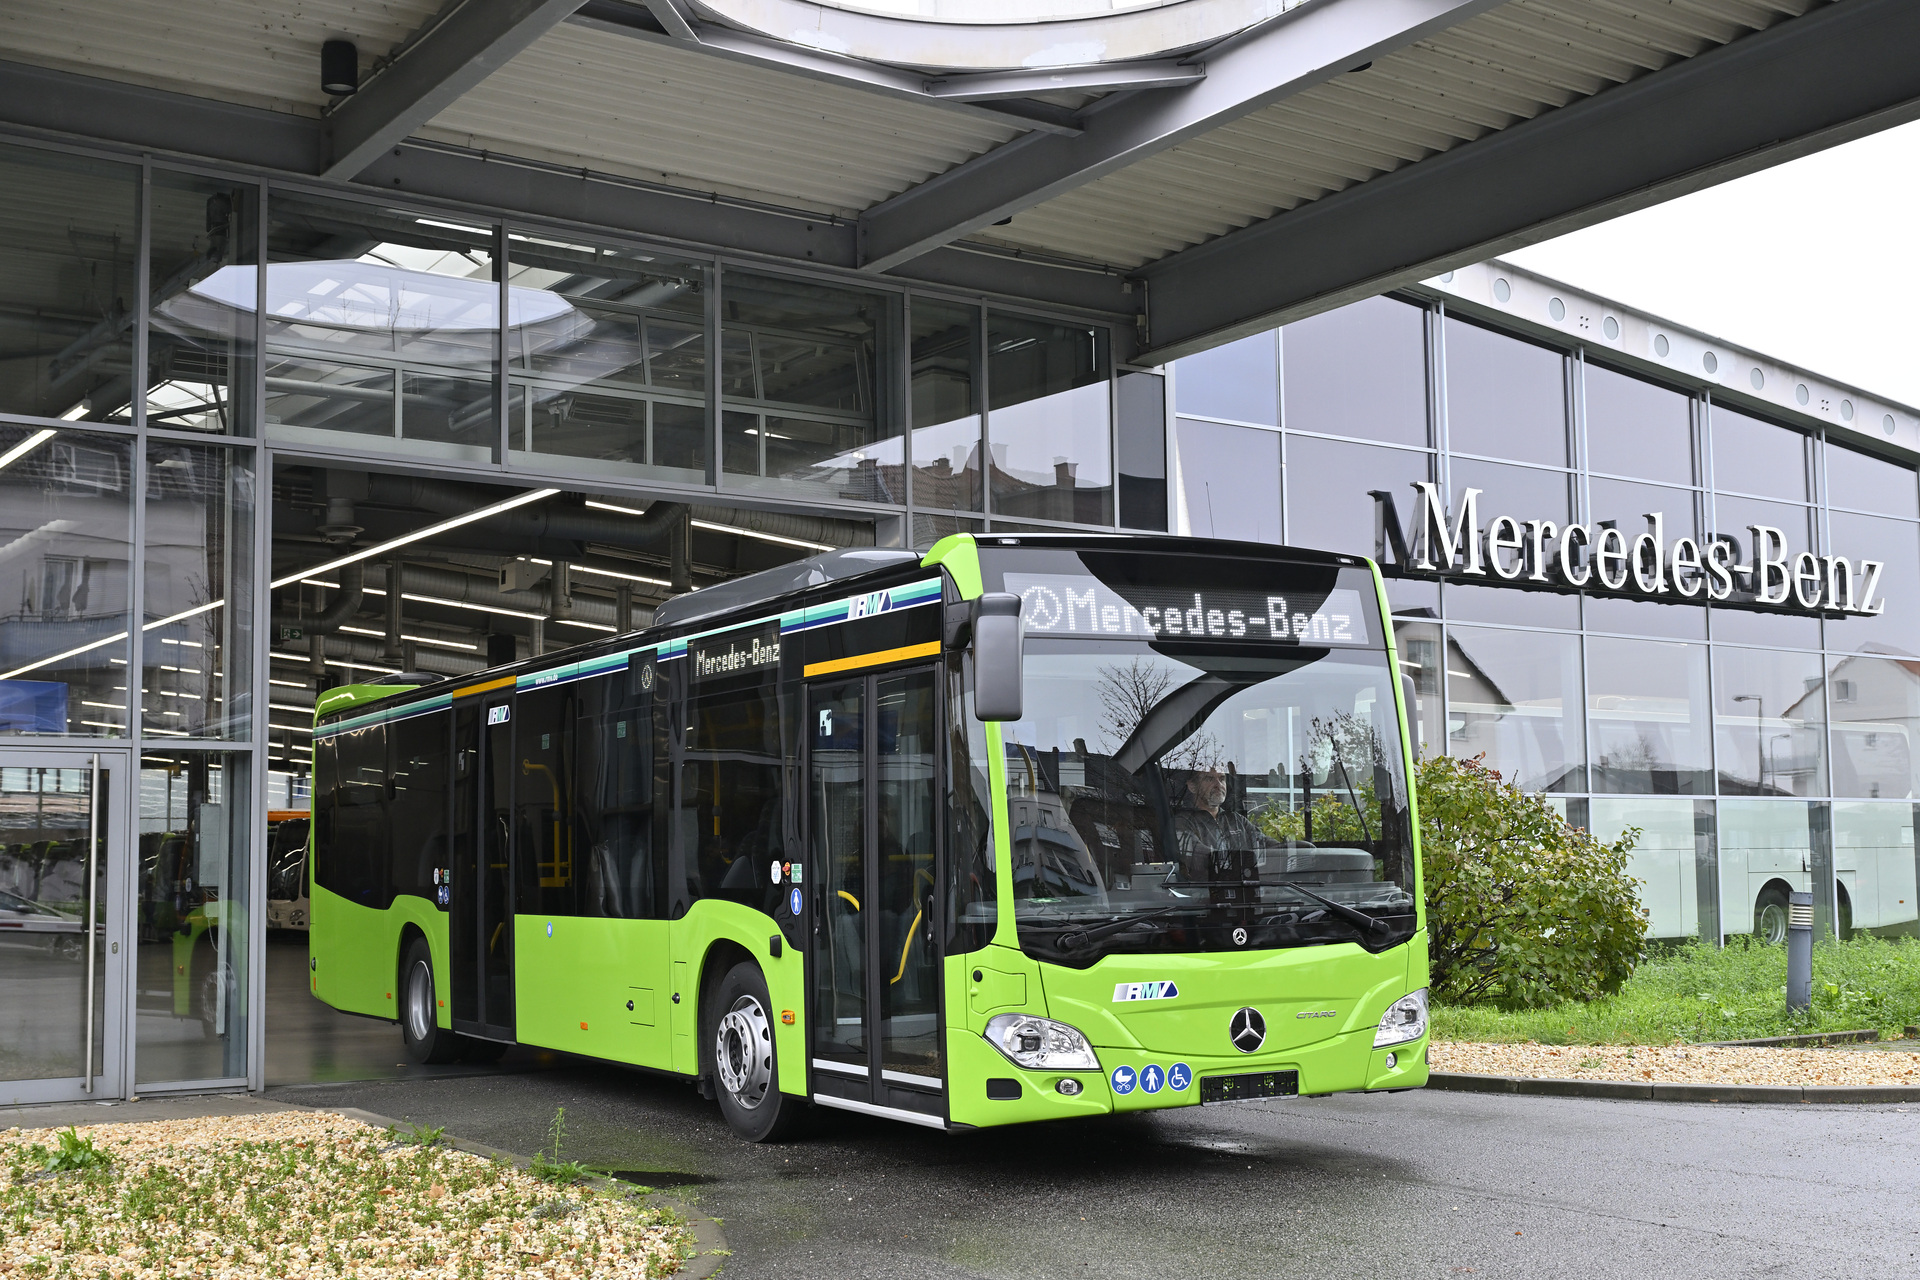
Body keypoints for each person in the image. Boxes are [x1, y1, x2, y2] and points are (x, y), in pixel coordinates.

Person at [1172, 767, 1270, 878]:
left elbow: (1264, 843)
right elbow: (1201, 856)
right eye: (1209, 779)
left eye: (1222, 779)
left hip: (1243, 890)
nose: (1218, 784)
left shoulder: (1237, 820)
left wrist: (1290, 847)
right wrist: (1240, 861)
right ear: (1192, 786)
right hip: (1204, 892)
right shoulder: (1183, 822)